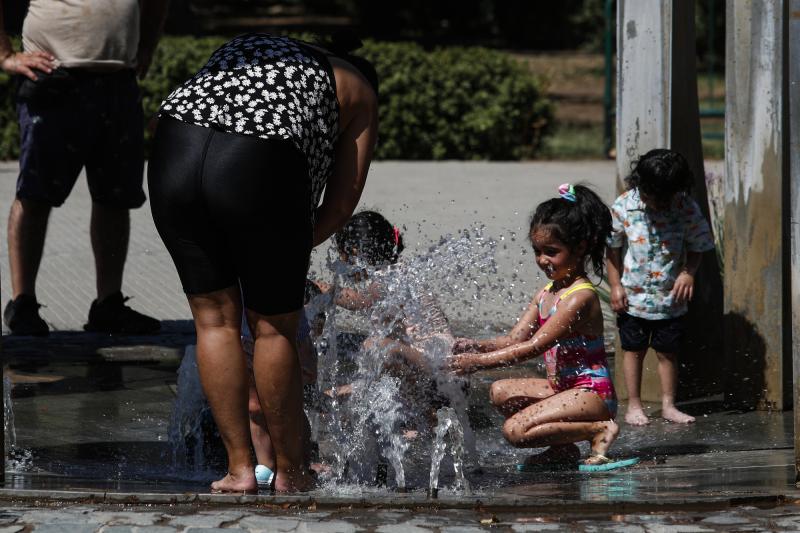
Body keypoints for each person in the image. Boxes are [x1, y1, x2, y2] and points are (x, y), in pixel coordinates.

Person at [148, 33, 379, 493]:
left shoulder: (254, 45)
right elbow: (340, 203)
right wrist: (285, 250)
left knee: (213, 321)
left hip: (174, 145)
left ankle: (238, 471)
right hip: (257, 158)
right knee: (273, 327)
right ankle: (291, 473)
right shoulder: (358, 87)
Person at [0, 0, 168, 336]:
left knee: (115, 198)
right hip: (52, 78)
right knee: (34, 195)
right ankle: (23, 302)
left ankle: (108, 303)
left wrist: (146, 46)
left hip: (118, 82)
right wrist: (5, 55)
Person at [448, 184, 623, 470]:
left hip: (592, 394)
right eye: (537, 251)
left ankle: (599, 429)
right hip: (564, 389)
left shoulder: (580, 297)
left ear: (580, 248)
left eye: (551, 252)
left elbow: (534, 347)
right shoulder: (547, 292)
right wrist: (476, 345)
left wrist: (476, 362)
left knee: (515, 431)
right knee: (499, 391)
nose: (542, 260)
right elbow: (515, 338)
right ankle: (562, 451)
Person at [606, 149, 715, 426]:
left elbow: (698, 245)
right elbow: (613, 248)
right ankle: (633, 405)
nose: (656, 205)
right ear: (639, 185)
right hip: (633, 297)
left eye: (664, 199)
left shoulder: (685, 207)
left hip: (670, 298)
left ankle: (668, 404)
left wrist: (688, 273)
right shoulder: (624, 206)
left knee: (668, 352)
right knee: (633, 350)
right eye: (651, 198)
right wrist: (616, 286)